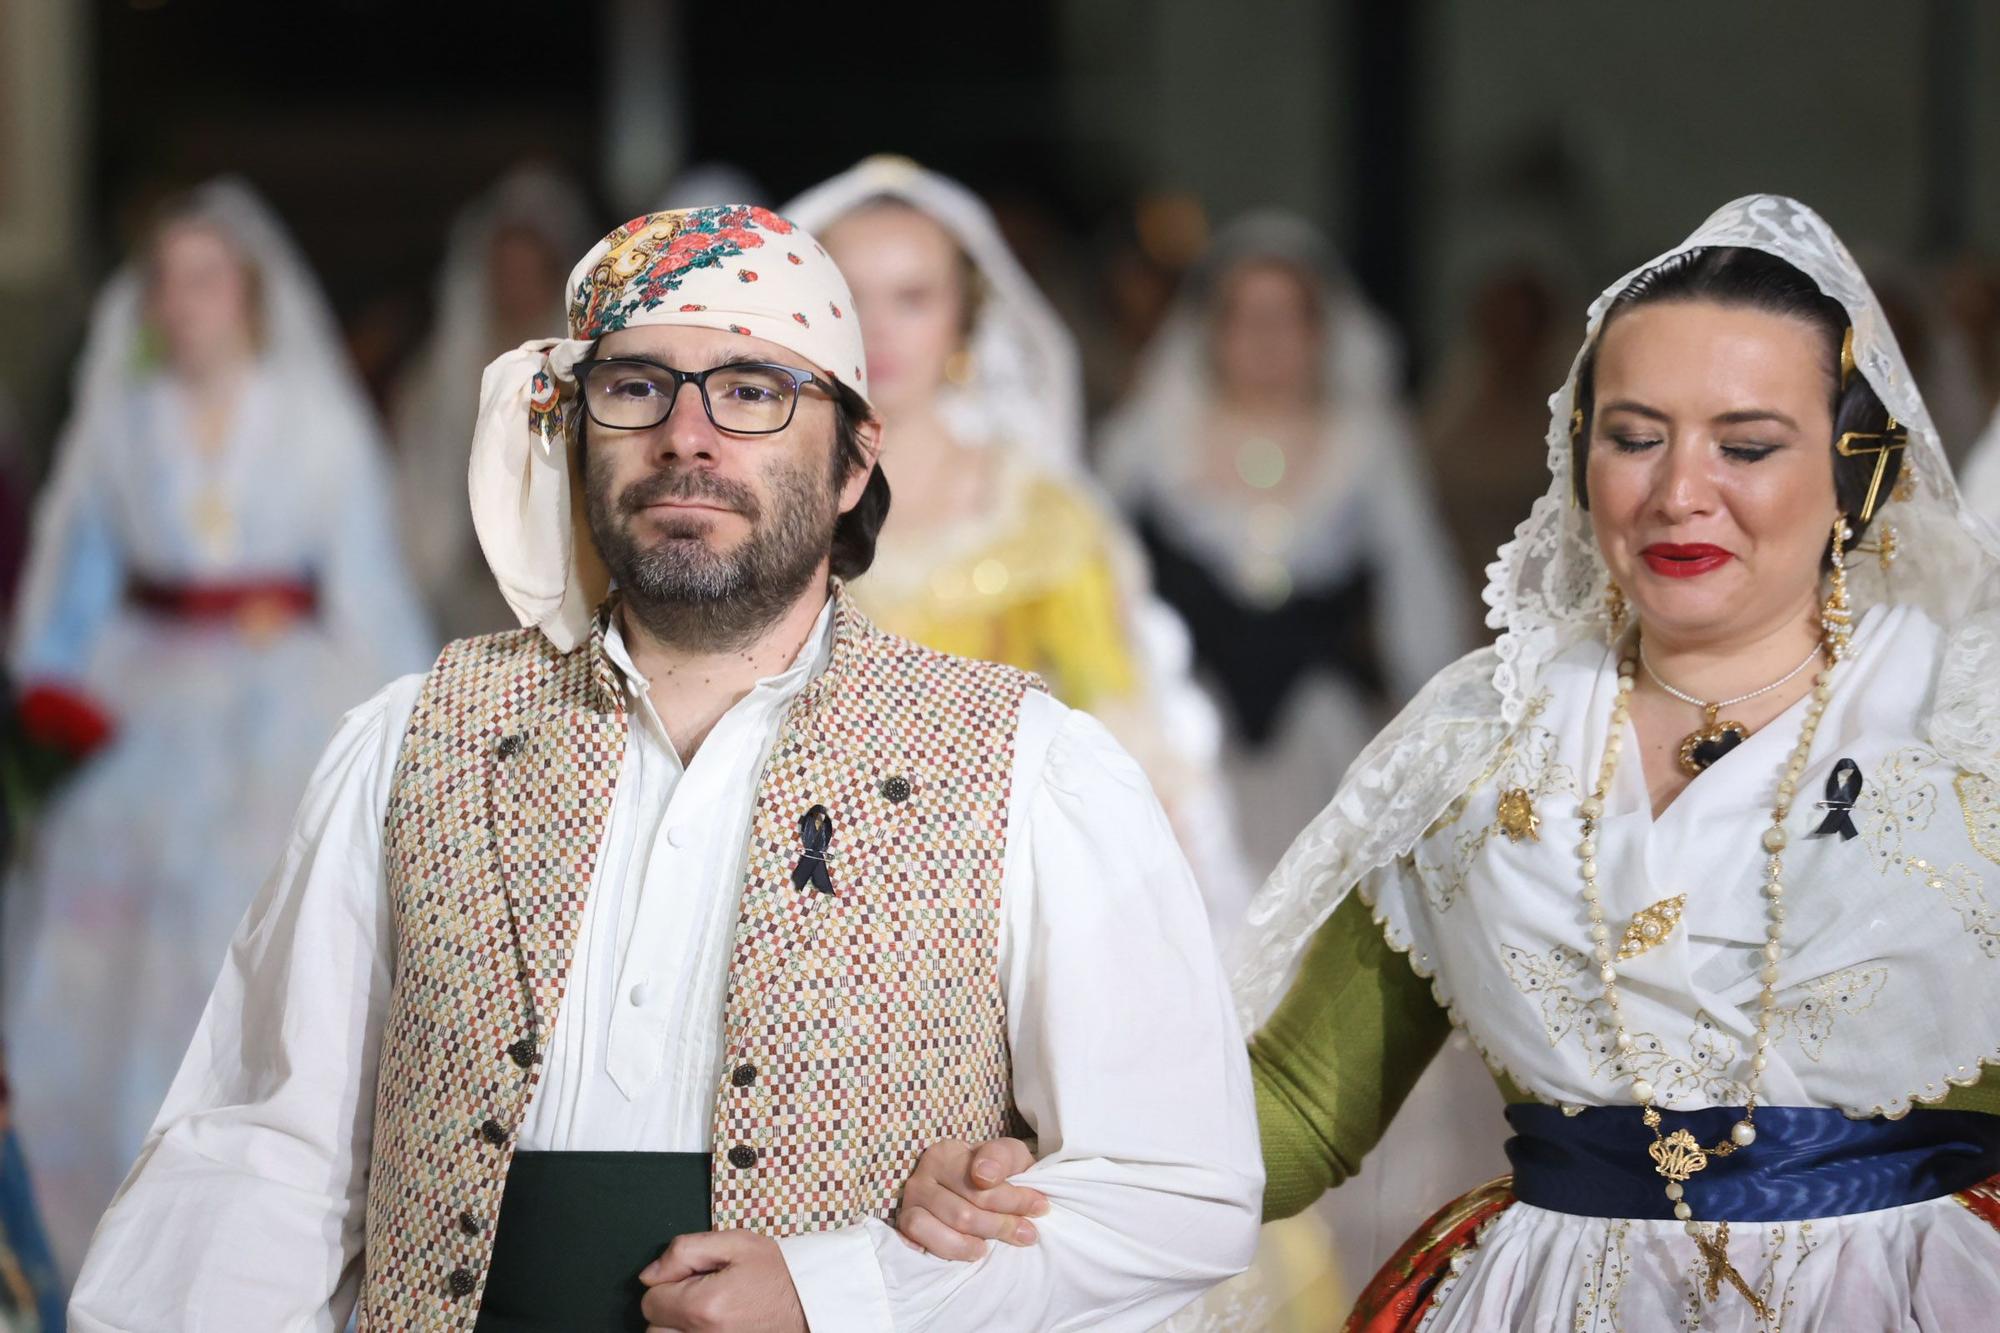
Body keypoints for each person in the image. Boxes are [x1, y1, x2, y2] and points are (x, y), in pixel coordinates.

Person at [68, 203, 1261, 1332]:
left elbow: (1177, 1189)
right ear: (572, 434)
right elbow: (260, 1160)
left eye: (750, 391)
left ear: (851, 460)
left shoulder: (1024, 768)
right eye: (635, 387)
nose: (687, 436)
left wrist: (847, 1291)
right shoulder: (410, 742)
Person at [896, 194, 2000, 1329]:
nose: (1678, 491)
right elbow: (1304, 1106)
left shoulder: (1965, 725)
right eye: (1633, 435)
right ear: (1579, 455)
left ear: (1859, 473)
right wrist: (1027, 1177)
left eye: (1748, 443)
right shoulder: (1483, 736)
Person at [4, 179, 434, 1276]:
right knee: (116, 963)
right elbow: (76, 587)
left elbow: (369, 590)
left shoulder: (313, 419)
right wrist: (36, 729)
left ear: (245, 294)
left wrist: (407, 737)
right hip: (143, 703)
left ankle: (254, 1229)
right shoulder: (119, 422)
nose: (183, 303)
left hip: (274, 698)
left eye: (204, 279)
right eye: (165, 282)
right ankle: (109, 1212)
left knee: (256, 941)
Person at [785, 156, 1252, 937]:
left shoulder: (1040, 516)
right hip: (795, 891)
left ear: (963, 318)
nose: (879, 329)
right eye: (848, 297)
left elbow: (1123, 725)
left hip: (994, 906)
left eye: (913, 297)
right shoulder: (750, 505)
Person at [1096, 213, 1472, 883]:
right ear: (1212, 328)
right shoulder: (1150, 438)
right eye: (1245, 316)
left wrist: (1439, 728)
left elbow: (1417, 582)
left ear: (1321, 329)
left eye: (1287, 317)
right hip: (1180, 736)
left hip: (1325, 735)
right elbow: (1094, 571)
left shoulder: (1368, 444)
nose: (1266, 339)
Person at [392, 165, 593, 641]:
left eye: (529, 270)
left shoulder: (582, 366)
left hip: (563, 592)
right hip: (464, 591)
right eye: (505, 270)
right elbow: (416, 478)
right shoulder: (440, 373)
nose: (515, 284)